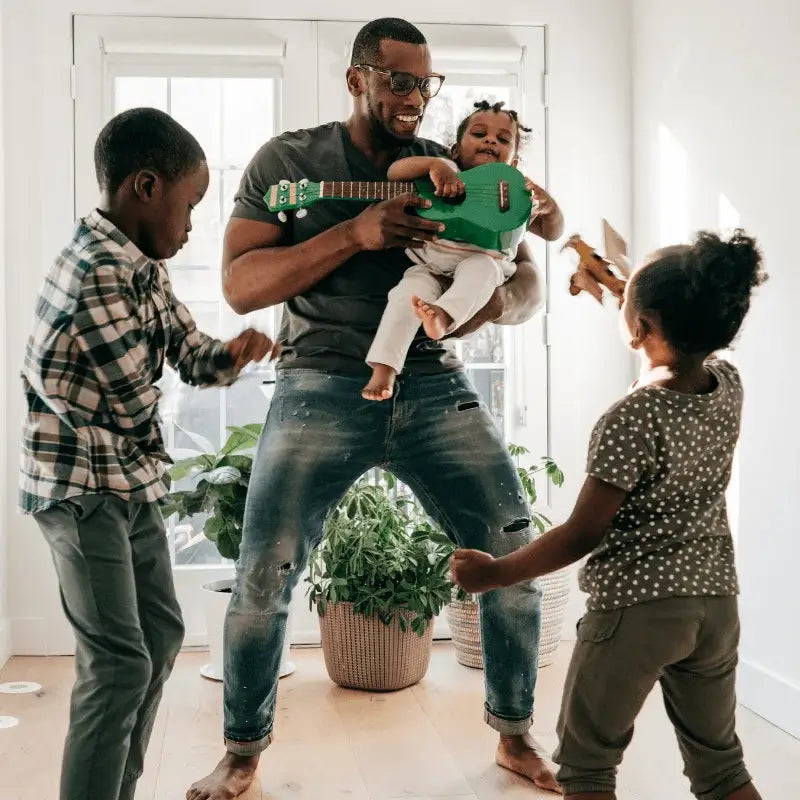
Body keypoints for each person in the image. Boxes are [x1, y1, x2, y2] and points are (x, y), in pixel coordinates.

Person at [188, 17, 563, 800]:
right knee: (266, 570)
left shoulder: (457, 165)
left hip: (433, 379)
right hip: (319, 379)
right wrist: (354, 234)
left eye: (426, 85)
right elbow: (240, 285)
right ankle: (243, 750)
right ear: (356, 77)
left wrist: (482, 305)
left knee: (511, 549)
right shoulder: (289, 164)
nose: (413, 99)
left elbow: (527, 283)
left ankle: (516, 733)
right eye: (398, 81)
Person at [451, 229, 767, 800]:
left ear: (641, 328)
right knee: (720, 766)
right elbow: (682, 351)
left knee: (589, 766)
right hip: (715, 605)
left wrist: (495, 574)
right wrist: (637, 305)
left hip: (637, 610)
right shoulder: (727, 385)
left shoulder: (630, 417)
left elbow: (581, 533)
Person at [20, 107, 277, 800]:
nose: (192, 225)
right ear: (145, 188)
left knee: (160, 635)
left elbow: (187, 352)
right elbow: (134, 403)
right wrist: (186, 376)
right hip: (79, 489)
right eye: (189, 205)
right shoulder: (96, 272)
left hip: (123, 481)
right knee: (117, 663)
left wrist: (229, 354)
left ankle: (115, 786)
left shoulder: (141, 267)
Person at [363, 99, 563, 400]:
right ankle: (384, 370)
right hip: (429, 266)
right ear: (456, 150)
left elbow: (552, 231)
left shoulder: (513, 193)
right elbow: (395, 172)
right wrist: (436, 165)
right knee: (405, 297)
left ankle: (443, 317)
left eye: (503, 139)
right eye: (479, 134)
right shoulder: (447, 171)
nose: (490, 140)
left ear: (514, 162)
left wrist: (549, 206)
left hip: (483, 264)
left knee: (482, 270)